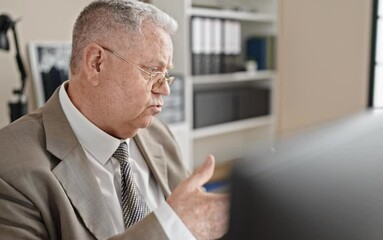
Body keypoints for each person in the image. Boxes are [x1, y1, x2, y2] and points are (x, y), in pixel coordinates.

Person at [0, 0, 229, 239]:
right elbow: (179, 224)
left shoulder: (159, 135)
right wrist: (169, 226)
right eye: (153, 71)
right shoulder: (9, 165)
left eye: (166, 74)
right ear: (96, 63)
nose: (165, 89)